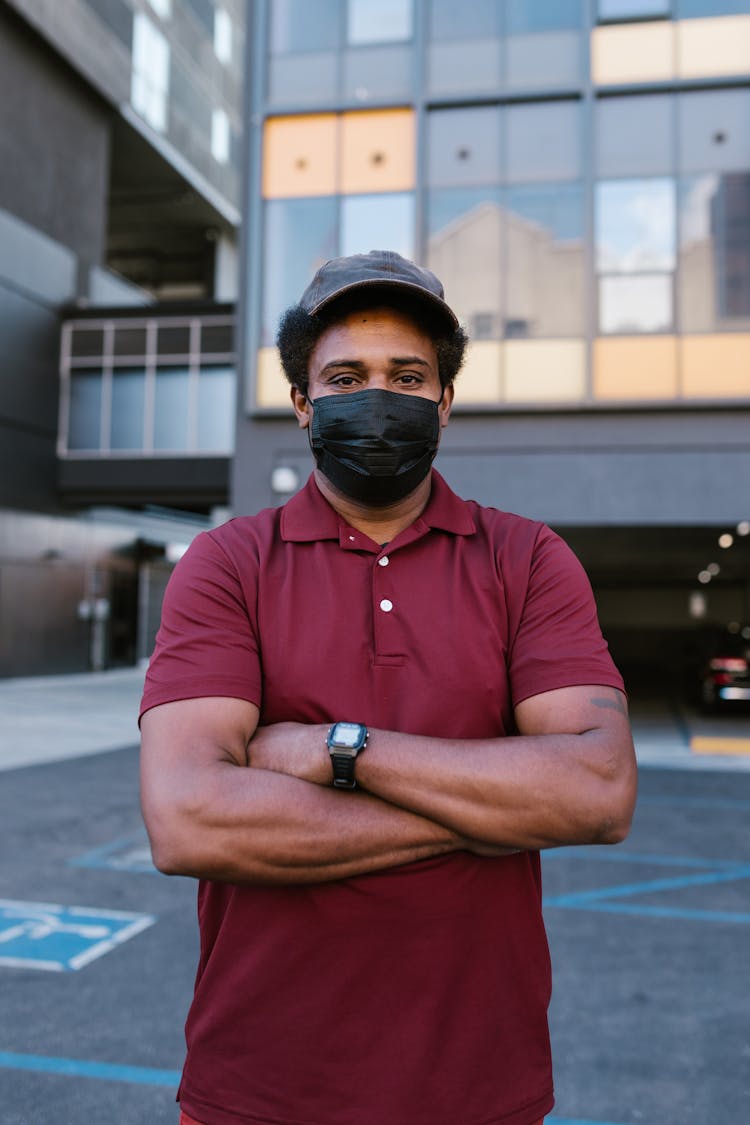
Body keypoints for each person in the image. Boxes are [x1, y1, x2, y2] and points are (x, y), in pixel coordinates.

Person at [140, 249, 637, 1125]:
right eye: (346, 375)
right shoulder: (230, 562)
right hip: (259, 1091)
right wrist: (488, 806)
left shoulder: (526, 559)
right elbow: (188, 817)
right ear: (303, 405)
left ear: (444, 402)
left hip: (481, 1091)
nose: (379, 397)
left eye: (408, 376)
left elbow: (595, 791)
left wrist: (336, 750)